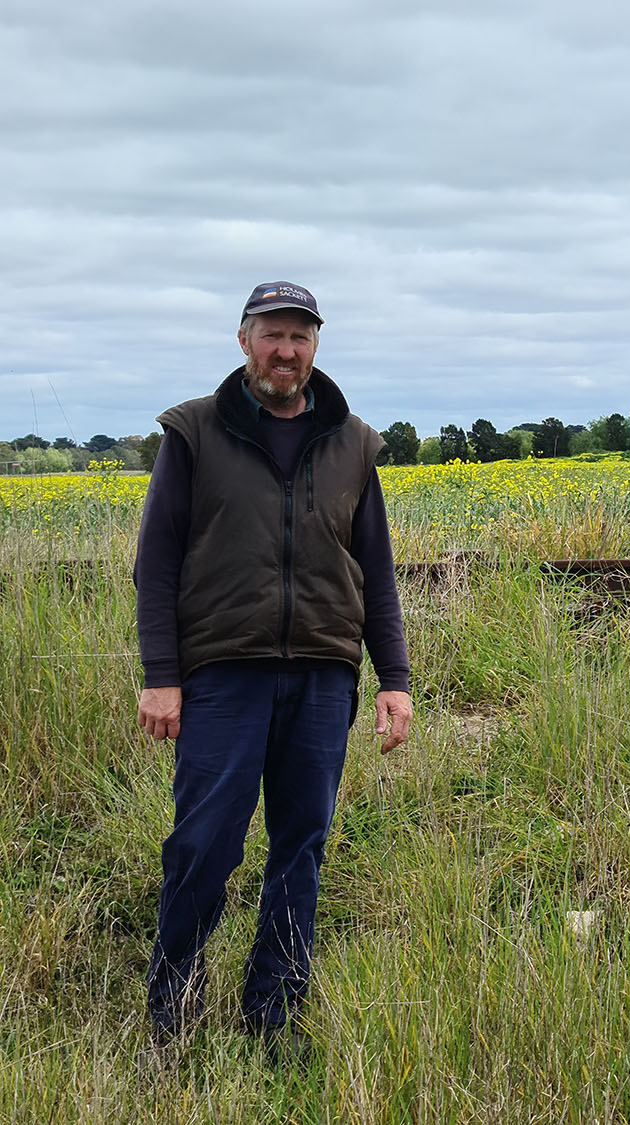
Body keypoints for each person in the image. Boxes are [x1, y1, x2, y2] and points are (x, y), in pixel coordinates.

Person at [133, 281, 413, 1050]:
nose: (285, 351)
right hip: (224, 673)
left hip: (324, 675)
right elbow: (155, 561)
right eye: (271, 334)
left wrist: (394, 679)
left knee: (302, 845)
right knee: (205, 843)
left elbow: (376, 570)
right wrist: (162, 673)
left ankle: (274, 1012)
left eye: (300, 336)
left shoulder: (353, 441)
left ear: (316, 346)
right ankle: (172, 1009)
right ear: (243, 339)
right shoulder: (194, 431)